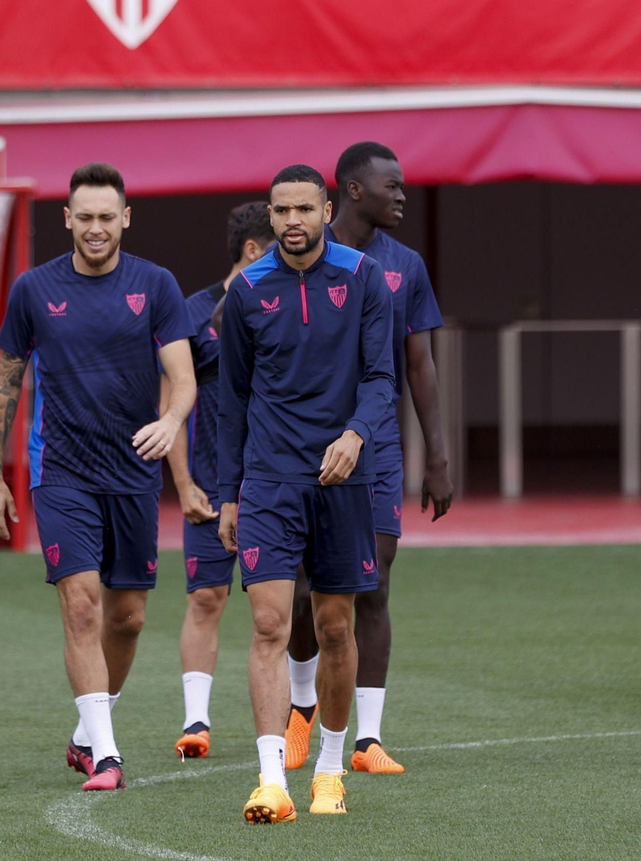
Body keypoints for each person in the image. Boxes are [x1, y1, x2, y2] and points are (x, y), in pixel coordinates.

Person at [0, 162, 196, 792]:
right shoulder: (32, 289)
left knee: (125, 617)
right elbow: (6, 386)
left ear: (124, 219)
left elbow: (181, 379)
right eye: (86, 217)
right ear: (67, 218)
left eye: (108, 217)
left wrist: (171, 420)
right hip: (62, 473)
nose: (96, 228)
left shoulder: (155, 285)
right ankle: (107, 756)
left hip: (132, 471)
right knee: (80, 608)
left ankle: (84, 736)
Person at [216, 164, 394, 823]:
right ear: (270, 215)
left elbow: (381, 377)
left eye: (303, 210)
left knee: (335, 629)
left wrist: (354, 435)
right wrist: (228, 493)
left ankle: (327, 770)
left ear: (325, 208)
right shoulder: (247, 291)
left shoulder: (362, 277)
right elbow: (230, 400)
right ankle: (270, 782)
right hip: (268, 481)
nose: (291, 223)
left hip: (343, 480)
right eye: (280, 212)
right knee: (268, 624)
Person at [282, 141, 452, 776]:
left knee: (373, 584)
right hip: (303, 448)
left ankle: (367, 740)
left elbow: (420, 364)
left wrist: (437, 455)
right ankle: (301, 710)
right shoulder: (304, 257)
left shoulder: (404, 266)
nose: (403, 195)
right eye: (393, 185)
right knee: (304, 591)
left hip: (376, 451)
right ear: (353, 191)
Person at [168, 201, 276, 760]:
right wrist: (184, 484)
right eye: (278, 242)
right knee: (207, 597)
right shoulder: (188, 313)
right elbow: (174, 408)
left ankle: (295, 721)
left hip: (273, 484)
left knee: (280, 607)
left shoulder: (284, 305)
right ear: (254, 250)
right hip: (210, 482)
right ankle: (196, 723)